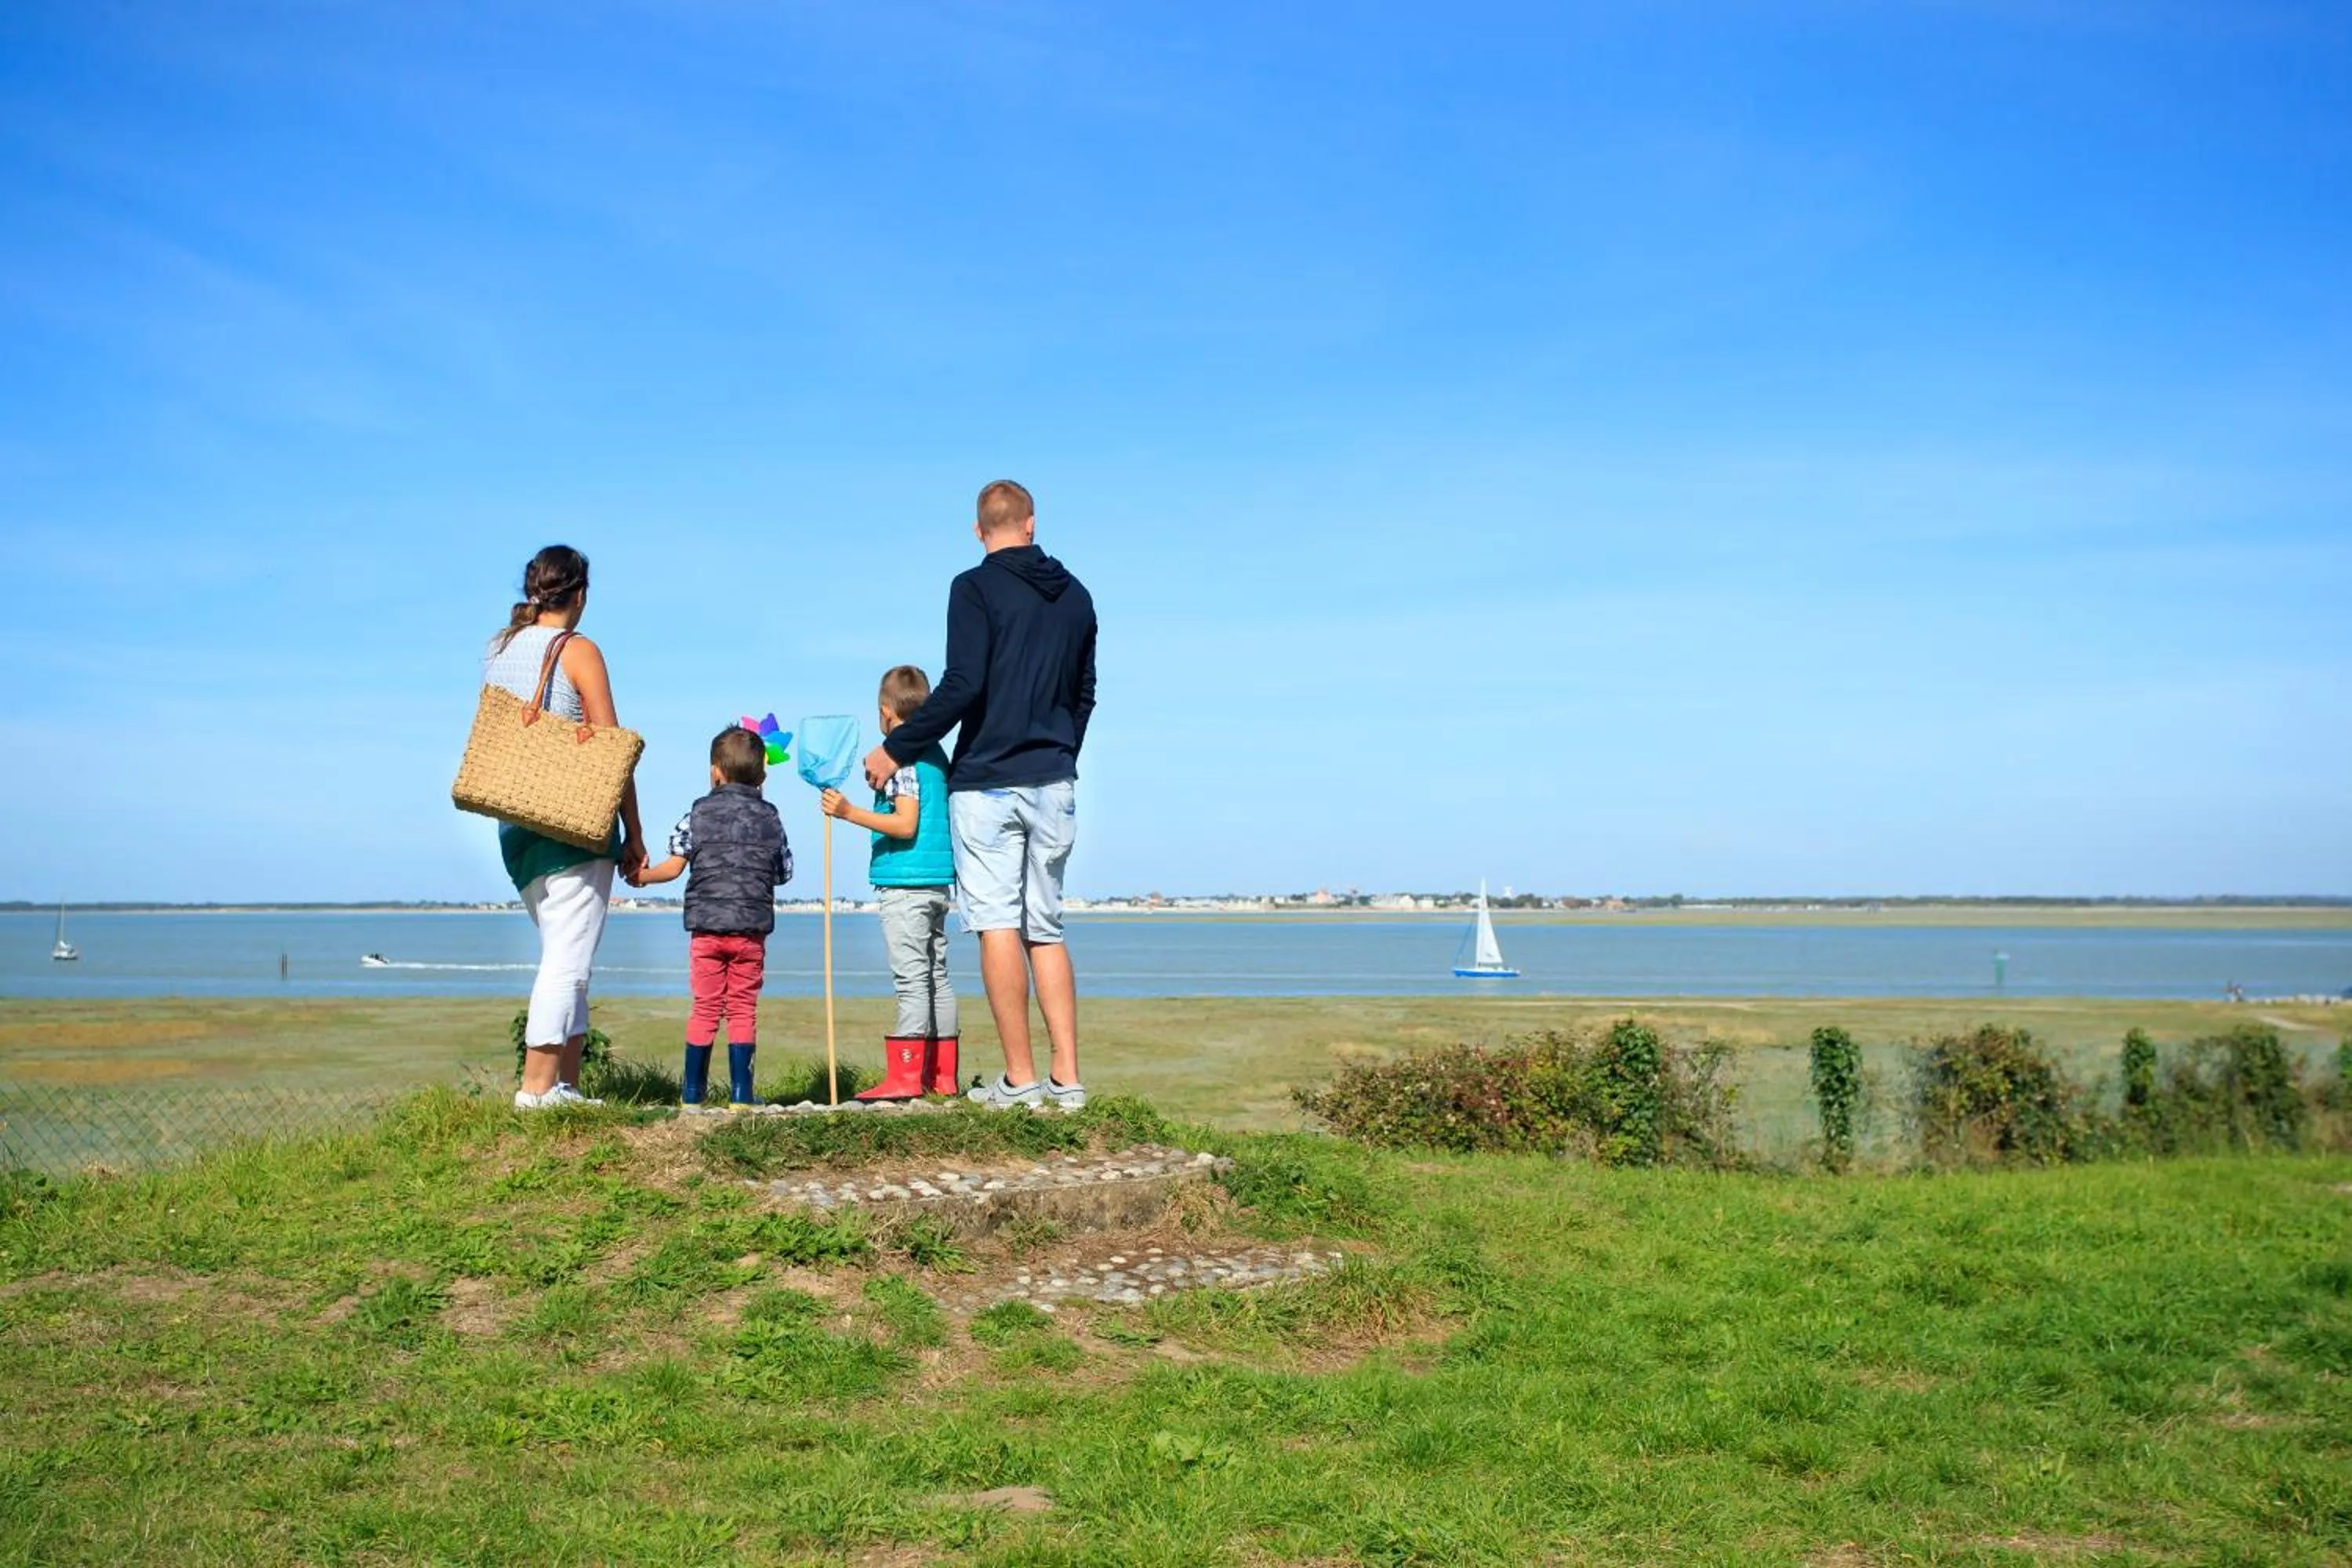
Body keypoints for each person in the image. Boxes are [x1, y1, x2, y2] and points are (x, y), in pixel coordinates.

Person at [862, 480, 1097, 1111]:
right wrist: (1059, 752)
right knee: (1045, 928)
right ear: (1032, 523)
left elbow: (964, 684)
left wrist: (897, 747)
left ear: (977, 530)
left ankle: (1019, 1080)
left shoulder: (972, 587)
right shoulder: (1077, 596)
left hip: (989, 780)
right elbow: (1084, 695)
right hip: (1054, 779)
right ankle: (1066, 1079)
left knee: (996, 925)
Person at [481, 545, 646, 1110]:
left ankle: (566, 1084)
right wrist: (635, 833)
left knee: (566, 952)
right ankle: (536, 1090)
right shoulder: (578, 650)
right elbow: (611, 751)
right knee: (567, 960)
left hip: (516, 820)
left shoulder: (500, 649)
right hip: (572, 823)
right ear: (580, 594)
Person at [632, 727, 794, 1109]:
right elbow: (784, 872)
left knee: (705, 1008)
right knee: (742, 1009)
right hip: (750, 933)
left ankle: (693, 1095)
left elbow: (673, 867)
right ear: (763, 778)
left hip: (706, 931)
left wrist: (642, 878)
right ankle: (742, 1094)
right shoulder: (771, 817)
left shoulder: (697, 813)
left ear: (714, 773)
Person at [820, 666, 959, 1102]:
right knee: (937, 976)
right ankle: (942, 1077)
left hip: (905, 882)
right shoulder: (936, 754)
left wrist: (848, 812)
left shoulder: (901, 757)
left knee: (912, 980)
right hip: (937, 882)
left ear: (885, 713)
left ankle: (903, 1079)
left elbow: (905, 823)